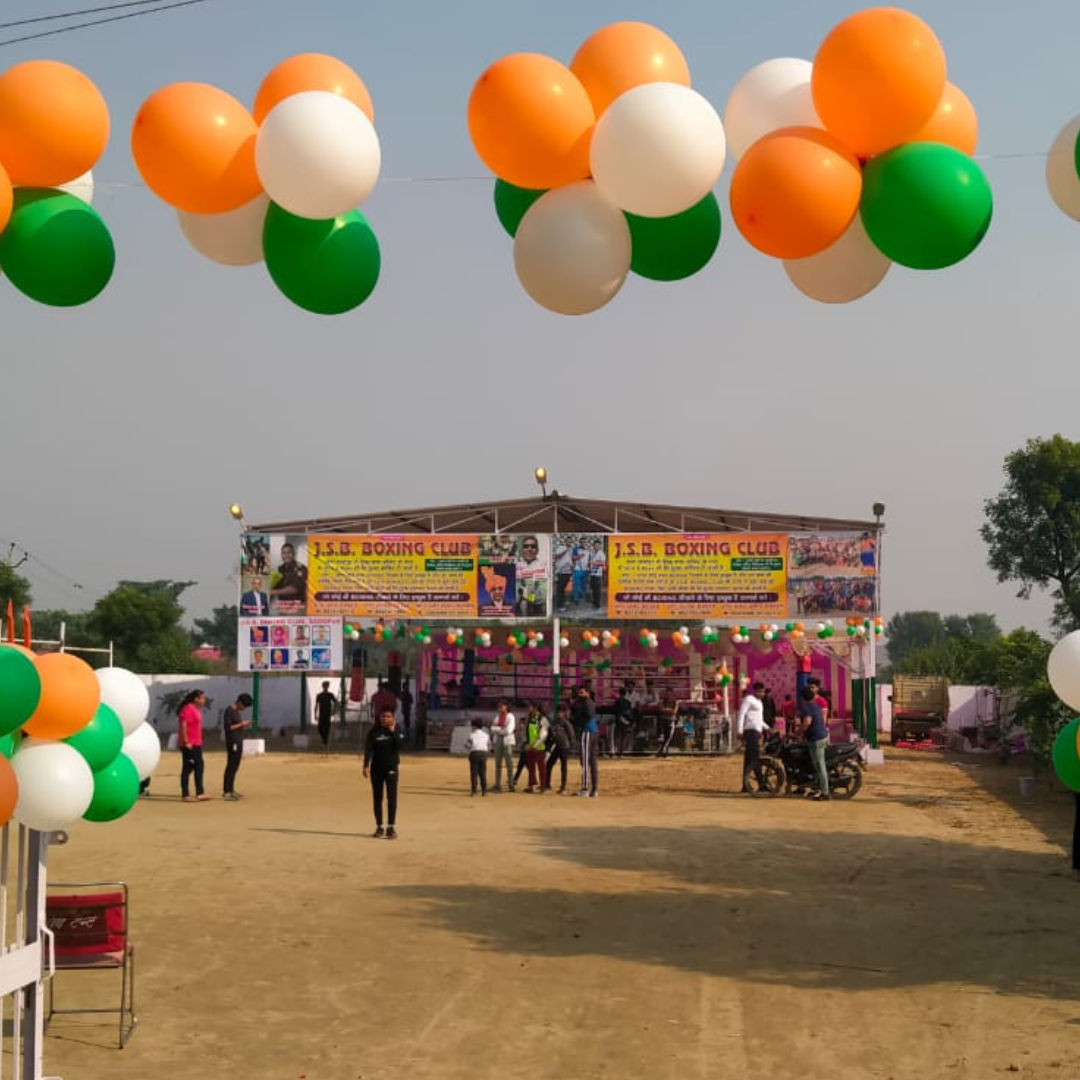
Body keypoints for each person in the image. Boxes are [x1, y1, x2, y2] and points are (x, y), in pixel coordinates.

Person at [363, 708, 401, 838]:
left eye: (388, 716)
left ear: (393, 718)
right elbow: (368, 750)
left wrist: (393, 732)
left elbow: (401, 744)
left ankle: (391, 827)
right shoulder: (373, 732)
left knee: (392, 798)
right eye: (383, 716)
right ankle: (379, 827)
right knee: (377, 798)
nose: (385, 718)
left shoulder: (397, 730)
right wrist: (366, 765)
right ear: (379, 718)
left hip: (391, 768)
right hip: (376, 770)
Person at [177, 689, 211, 803]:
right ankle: (185, 794)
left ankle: (200, 792)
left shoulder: (195, 709)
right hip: (189, 744)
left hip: (197, 743)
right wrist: (186, 741)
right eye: (202, 698)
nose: (204, 700)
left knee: (199, 767)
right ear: (196, 699)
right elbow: (183, 725)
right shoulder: (187, 709)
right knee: (187, 768)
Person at [737, 682, 770, 793]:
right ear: (755, 691)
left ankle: (745, 786)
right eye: (760, 691)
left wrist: (768, 728)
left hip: (756, 731)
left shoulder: (759, 702)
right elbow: (741, 714)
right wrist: (739, 731)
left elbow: (759, 719)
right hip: (750, 731)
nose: (762, 694)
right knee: (755, 758)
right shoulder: (749, 699)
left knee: (749, 759)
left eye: (763, 691)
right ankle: (762, 784)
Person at [222, 693, 253, 800]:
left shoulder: (236, 712)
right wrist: (242, 724)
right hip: (232, 742)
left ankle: (231, 790)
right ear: (239, 702)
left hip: (238, 741)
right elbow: (227, 727)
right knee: (231, 765)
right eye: (244, 706)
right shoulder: (229, 711)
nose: (244, 708)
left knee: (235, 765)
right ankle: (227, 791)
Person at [801, 686, 830, 800]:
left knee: (820, 766)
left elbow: (807, 722)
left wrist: (798, 732)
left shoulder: (807, 708)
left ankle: (825, 793)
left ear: (803, 698)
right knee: (817, 765)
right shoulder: (815, 706)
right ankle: (819, 788)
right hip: (820, 737)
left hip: (816, 739)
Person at [572, 686, 599, 797]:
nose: (580, 695)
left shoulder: (585, 703)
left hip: (587, 731)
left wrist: (576, 718)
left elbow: (584, 716)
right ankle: (594, 789)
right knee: (592, 761)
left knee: (585, 760)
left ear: (587, 693)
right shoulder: (591, 702)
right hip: (594, 731)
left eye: (582, 692)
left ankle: (585, 789)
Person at [270, 542, 307, 613]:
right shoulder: (281, 568)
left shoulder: (300, 568)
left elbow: (294, 589)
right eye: (284, 553)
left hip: (297, 607)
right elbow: (277, 585)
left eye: (289, 552)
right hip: (283, 606)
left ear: (294, 554)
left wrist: (272, 592)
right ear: (281, 555)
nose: (286, 555)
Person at [544, 705, 574, 793]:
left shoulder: (566, 723)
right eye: (558, 712)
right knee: (549, 764)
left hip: (564, 747)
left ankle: (563, 787)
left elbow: (571, 735)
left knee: (563, 766)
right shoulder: (554, 722)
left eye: (561, 712)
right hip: (556, 747)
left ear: (564, 713)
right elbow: (551, 735)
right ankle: (547, 785)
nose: (559, 714)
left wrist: (571, 746)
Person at [516, 535, 548, 617]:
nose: (529, 549)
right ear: (522, 549)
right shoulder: (515, 565)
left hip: (537, 610)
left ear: (537, 550)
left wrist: (526, 596)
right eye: (526, 546)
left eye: (533, 547)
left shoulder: (542, 566)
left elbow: (543, 595)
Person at [490, 701, 516, 792]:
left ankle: (511, 784)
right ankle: (498, 784)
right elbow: (492, 728)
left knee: (509, 763)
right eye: (499, 707)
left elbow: (508, 730)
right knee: (498, 763)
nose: (500, 708)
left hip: (507, 741)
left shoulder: (510, 716)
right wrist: (501, 729)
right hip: (498, 741)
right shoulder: (497, 717)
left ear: (506, 707)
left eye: (502, 706)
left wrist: (498, 730)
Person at [522, 703, 549, 794]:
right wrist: (526, 743)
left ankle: (543, 786)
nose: (528, 708)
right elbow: (526, 732)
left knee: (541, 768)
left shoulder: (543, 719)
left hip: (540, 747)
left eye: (529, 707)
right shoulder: (530, 718)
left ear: (535, 708)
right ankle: (531, 785)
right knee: (531, 768)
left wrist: (532, 745)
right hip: (530, 747)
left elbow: (543, 736)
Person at [466, 718, 490, 796]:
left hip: (474, 753)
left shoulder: (472, 735)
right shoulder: (486, 735)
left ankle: (474, 790)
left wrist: (466, 746)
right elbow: (488, 745)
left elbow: (468, 745)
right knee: (482, 773)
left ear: (474, 726)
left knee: (474, 772)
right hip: (483, 753)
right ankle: (484, 790)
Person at [612, 686, 634, 757]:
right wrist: (628, 722)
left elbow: (614, 711)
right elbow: (629, 713)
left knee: (617, 736)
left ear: (619, 693)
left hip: (619, 721)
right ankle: (621, 752)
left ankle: (616, 751)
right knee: (622, 737)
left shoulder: (617, 702)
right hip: (625, 721)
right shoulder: (628, 702)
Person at [656, 689, 678, 757]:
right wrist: (670, 710)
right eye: (667, 694)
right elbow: (661, 709)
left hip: (671, 721)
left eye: (670, 694)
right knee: (662, 737)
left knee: (668, 737)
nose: (668, 696)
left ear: (672, 694)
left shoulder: (675, 702)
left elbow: (674, 711)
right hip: (663, 721)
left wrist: (666, 709)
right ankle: (663, 751)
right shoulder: (662, 702)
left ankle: (663, 751)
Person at [315, 680, 336, 749]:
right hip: (321, 714)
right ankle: (324, 741)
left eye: (326, 686)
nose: (325, 687)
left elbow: (336, 703)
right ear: (323, 686)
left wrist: (334, 711)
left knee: (327, 728)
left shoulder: (330, 695)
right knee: (320, 728)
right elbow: (316, 705)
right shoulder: (319, 695)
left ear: (328, 687)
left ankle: (325, 743)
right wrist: (315, 714)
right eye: (324, 686)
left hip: (328, 714)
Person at [588, 538, 606, 609]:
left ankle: (597, 605)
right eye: (595, 545)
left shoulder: (601, 554)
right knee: (593, 589)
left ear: (600, 546)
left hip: (598, 574)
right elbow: (590, 562)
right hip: (592, 573)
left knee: (597, 590)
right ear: (593, 546)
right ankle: (594, 602)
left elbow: (603, 563)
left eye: (598, 545)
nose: (596, 547)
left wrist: (594, 563)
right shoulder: (592, 553)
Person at [399, 678, 414, 743]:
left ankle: (407, 735)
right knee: (406, 721)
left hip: (407, 709)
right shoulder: (404, 693)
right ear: (404, 687)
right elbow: (401, 698)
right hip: (405, 709)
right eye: (406, 686)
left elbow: (412, 701)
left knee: (407, 721)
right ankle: (405, 735)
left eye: (407, 686)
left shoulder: (408, 693)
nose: (407, 687)